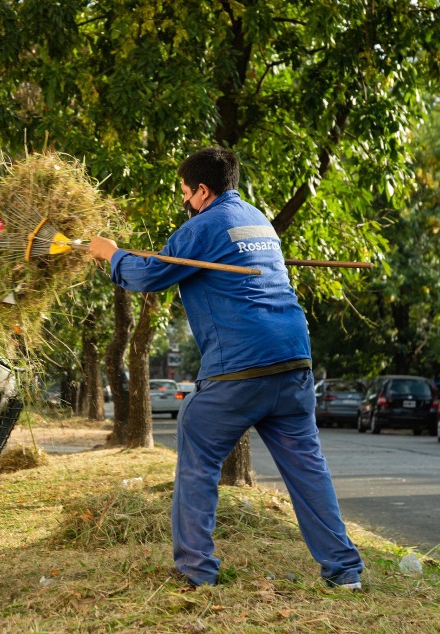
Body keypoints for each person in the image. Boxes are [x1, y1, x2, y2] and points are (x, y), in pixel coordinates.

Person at [88, 146, 364, 589]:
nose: (183, 200)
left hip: (240, 367)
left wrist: (111, 254)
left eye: (184, 192)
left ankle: (196, 572)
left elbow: (150, 275)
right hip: (294, 362)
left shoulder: (205, 224)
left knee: (196, 454)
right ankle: (345, 572)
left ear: (202, 191)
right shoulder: (259, 221)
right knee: (308, 470)